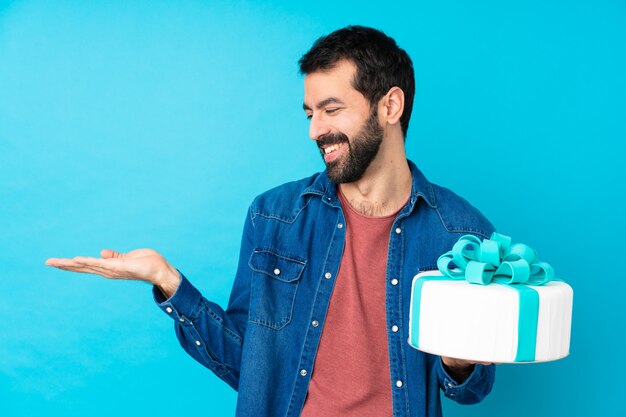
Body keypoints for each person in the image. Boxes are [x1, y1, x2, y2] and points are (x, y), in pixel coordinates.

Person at [46, 25, 496, 417]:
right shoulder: (274, 217)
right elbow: (249, 365)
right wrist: (169, 283)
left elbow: (472, 388)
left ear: (390, 106)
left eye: (331, 109)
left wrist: (460, 361)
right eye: (310, 112)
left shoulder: (463, 235)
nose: (314, 130)